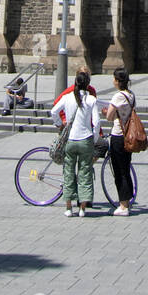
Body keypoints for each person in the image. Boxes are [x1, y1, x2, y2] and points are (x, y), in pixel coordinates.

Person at [50, 70, 99, 217]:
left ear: (75, 83)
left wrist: (60, 124)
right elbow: (96, 123)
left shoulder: (66, 97)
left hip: (70, 140)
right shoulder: (91, 100)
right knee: (85, 173)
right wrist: (94, 139)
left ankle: (68, 207)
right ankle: (82, 208)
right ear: (88, 84)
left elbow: (53, 111)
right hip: (86, 140)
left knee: (68, 173)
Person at [104, 68, 136, 217]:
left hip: (118, 135)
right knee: (126, 169)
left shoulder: (118, 96)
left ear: (118, 81)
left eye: (114, 78)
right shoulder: (131, 95)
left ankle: (123, 205)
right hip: (129, 135)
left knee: (119, 171)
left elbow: (109, 117)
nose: (112, 81)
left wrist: (106, 113)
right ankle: (127, 201)